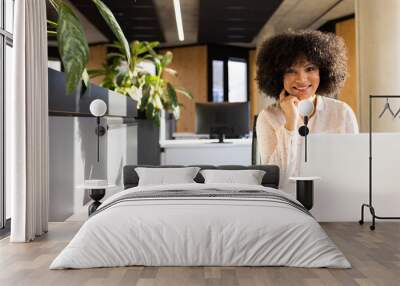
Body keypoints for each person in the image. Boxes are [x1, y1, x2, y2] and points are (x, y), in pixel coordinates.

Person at [256, 30, 359, 188]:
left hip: (336, 198)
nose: (302, 79)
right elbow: (276, 181)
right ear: (278, 75)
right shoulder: (268, 117)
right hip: (287, 203)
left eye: (310, 69)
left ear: (323, 71)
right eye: (291, 70)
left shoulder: (342, 112)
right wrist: (290, 123)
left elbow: (355, 169)